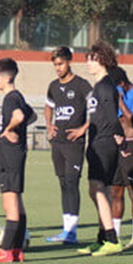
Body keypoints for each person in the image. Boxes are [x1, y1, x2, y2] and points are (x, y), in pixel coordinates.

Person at [0, 57, 35, 263]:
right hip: (14, 154)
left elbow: (21, 117)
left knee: (10, 203)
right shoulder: (17, 97)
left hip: (10, 155)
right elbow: (31, 117)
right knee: (16, 202)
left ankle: (5, 250)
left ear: (7, 77)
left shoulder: (11, 98)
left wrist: (10, 129)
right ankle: (16, 250)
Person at [76, 41, 126, 257]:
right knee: (97, 190)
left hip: (104, 143)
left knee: (97, 188)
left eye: (93, 59)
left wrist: (120, 139)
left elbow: (113, 116)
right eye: (88, 59)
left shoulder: (105, 86)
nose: (88, 63)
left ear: (103, 61)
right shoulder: (98, 86)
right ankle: (102, 238)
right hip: (96, 142)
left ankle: (112, 239)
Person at [43, 46, 92, 245]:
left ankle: (72, 232)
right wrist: (49, 125)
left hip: (74, 143)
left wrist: (83, 128)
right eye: (55, 65)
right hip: (58, 142)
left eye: (60, 64)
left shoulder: (82, 85)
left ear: (69, 62)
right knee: (63, 183)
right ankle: (66, 230)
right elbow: (48, 106)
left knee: (72, 183)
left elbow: (97, 109)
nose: (58, 68)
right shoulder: (53, 86)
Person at [108, 65, 133, 250]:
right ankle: (114, 236)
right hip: (118, 146)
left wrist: (120, 102)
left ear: (122, 83)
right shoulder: (115, 93)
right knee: (115, 192)